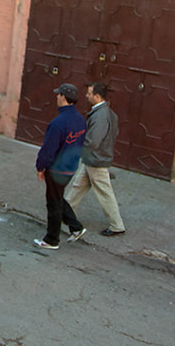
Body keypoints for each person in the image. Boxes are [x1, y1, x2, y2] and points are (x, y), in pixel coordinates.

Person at [66, 82, 126, 237]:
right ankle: (63, 214)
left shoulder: (100, 115)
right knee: (78, 186)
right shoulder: (108, 113)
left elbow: (93, 141)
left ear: (97, 96)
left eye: (89, 93)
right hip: (94, 159)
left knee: (104, 193)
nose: (86, 96)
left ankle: (117, 225)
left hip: (96, 160)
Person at [33, 83, 87, 249]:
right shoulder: (80, 120)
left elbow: (48, 150)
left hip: (57, 169)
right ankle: (76, 228)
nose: (56, 96)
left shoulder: (58, 123)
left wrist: (40, 167)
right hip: (70, 167)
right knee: (58, 197)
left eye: (58, 94)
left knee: (53, 203)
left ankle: (51, 240)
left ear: (63, 97)